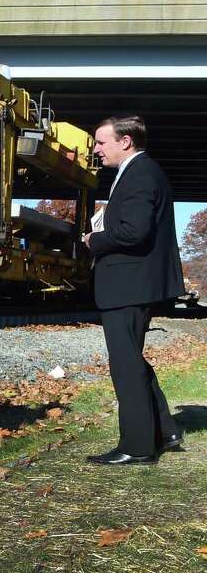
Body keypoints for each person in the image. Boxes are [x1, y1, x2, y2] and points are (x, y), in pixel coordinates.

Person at [82, 115, 185, 465]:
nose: (96, 149)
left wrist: (95, 239)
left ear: (125, 142)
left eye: (101, 142)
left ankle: (138, 446)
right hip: (133, 284)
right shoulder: (141, 171)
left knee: (125, 365)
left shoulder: (140, 173)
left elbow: (133, 232)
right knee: (131, 360)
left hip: (128, 285)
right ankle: (165, 431)